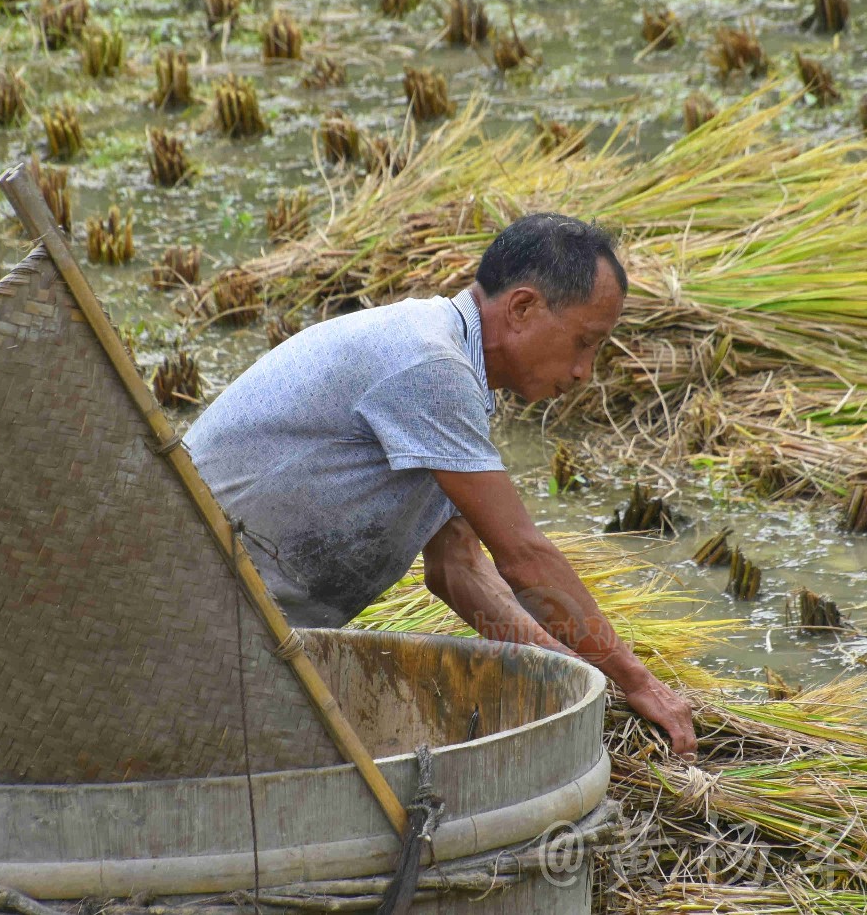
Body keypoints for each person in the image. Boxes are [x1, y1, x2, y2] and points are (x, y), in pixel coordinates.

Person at [185, 213, 697, 759]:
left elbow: (458, 571)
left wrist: (569, 678)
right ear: (522, 309)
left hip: (253, 628)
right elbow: (522, 557)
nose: (583, 373)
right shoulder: (429, 365)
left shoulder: (449, 367)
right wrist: (636, 681)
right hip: (196, 607)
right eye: (585, 343)